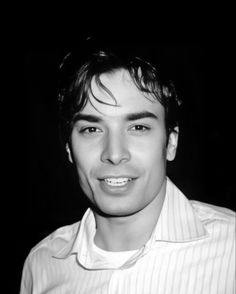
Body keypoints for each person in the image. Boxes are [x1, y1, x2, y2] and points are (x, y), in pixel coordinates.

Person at [21, 41, 235, 294]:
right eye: (92, 129)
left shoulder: (231, 249)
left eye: (138, 127)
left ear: (171, 143)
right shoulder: (42, 265)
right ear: (69, 148)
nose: (114, 154)